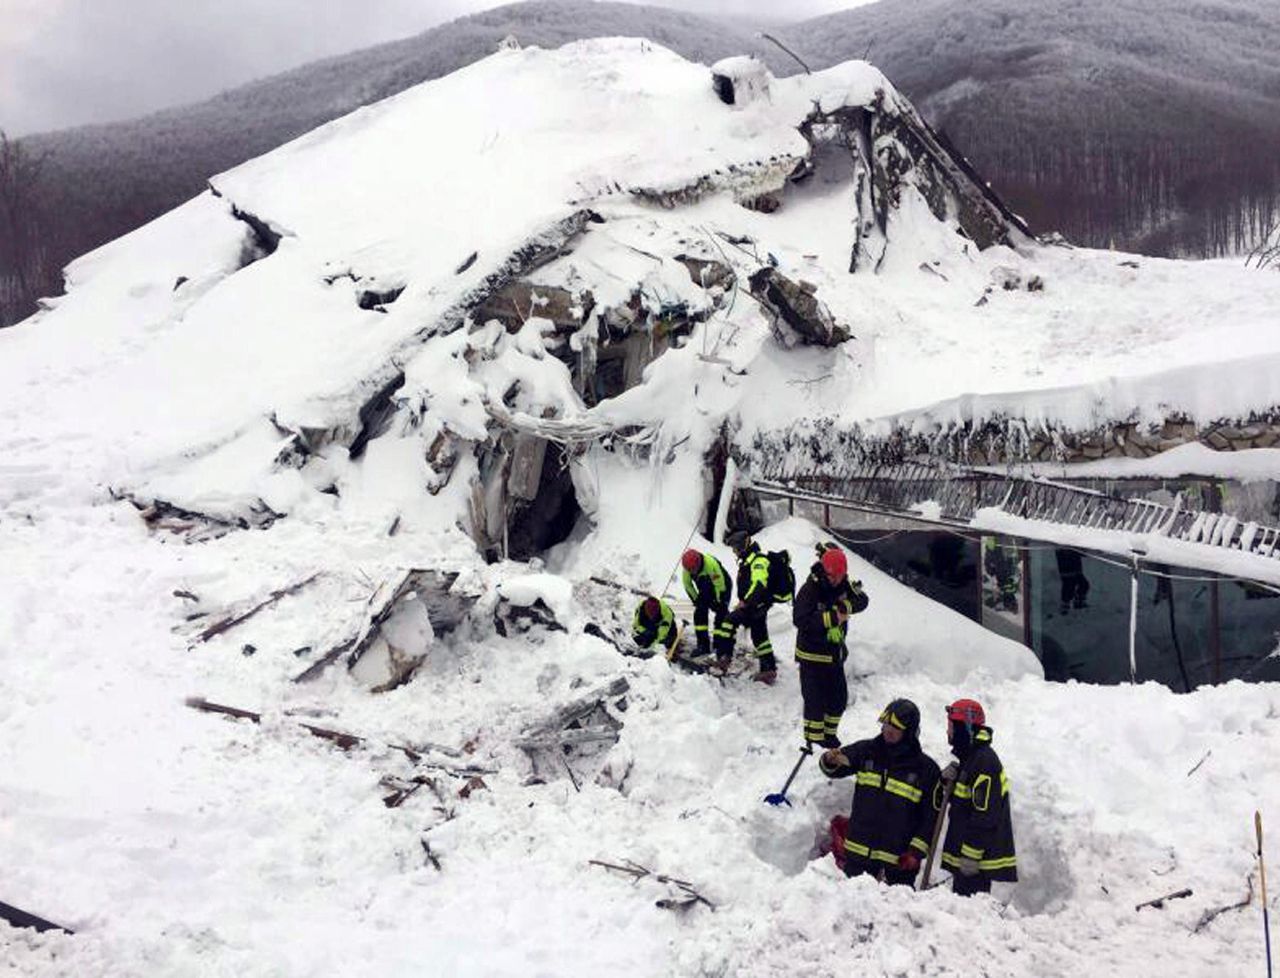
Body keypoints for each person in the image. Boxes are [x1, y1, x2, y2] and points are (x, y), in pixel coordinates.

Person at [819, 698, 941, 885]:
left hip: (898, 864)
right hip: (858, 855)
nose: (888, 730)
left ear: (909, 732)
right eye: (886, 724)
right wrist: (829, 759)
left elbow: (930, 818)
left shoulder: (926, 770)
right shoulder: (866, 751)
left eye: (896, 727)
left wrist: (915, 853)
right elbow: (834, 768)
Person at [939, 698, 1017, 896]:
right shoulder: (971, 758)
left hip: (975, 862)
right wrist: (947, 783)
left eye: (951, 726)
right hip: (967, 857)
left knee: (969, 908)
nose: (948, 732)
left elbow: (985, 813)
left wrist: (971, 854)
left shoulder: (984, 761)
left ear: (964, 728)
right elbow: (964, 804)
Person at [792, 543, 868, 747]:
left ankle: (829, 735)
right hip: (811, 655)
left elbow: (863, 600)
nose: (836, 580)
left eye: (840, 576)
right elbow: (800, 619)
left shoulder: (844, 584)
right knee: (814, 701)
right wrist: (833, 618)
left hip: (834, 654)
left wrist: (847, 606)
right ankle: (813, 740)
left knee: (838, 699)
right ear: (824, 571)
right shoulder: (810, 589)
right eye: (832, 576)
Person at [724, 531, 794, 684]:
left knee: (728, 622)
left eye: (735, 548)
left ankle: (724, 659)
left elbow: (759, 583)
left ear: (742, 547)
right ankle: (768, 669)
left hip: (756, 604)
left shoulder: (758, 561)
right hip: (757, 604)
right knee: (760, 636)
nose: (734, 552)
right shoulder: (749, 560)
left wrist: (745, 602)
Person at [680, 548, 734, 668]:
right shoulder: (687, 570)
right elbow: (688, 586)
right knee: (699, 613)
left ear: (698, 563)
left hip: (723, 585)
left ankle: (719, 646)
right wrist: (696, 600)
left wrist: (720, 601)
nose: (692, 572)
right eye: (690, 570)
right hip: (704, 587)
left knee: (721, 614)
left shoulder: (710, 565)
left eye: (694, 569)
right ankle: (703, 645)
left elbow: (720, 584)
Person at [1055, 548, 1089, 613]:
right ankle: (1066, 604)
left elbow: (1078, 552)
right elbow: (1068, 552)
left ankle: (1077, 601)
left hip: (1075, 569)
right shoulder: (1062, 548)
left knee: (1083, 585)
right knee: (1070, 586)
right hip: (1068, 569)